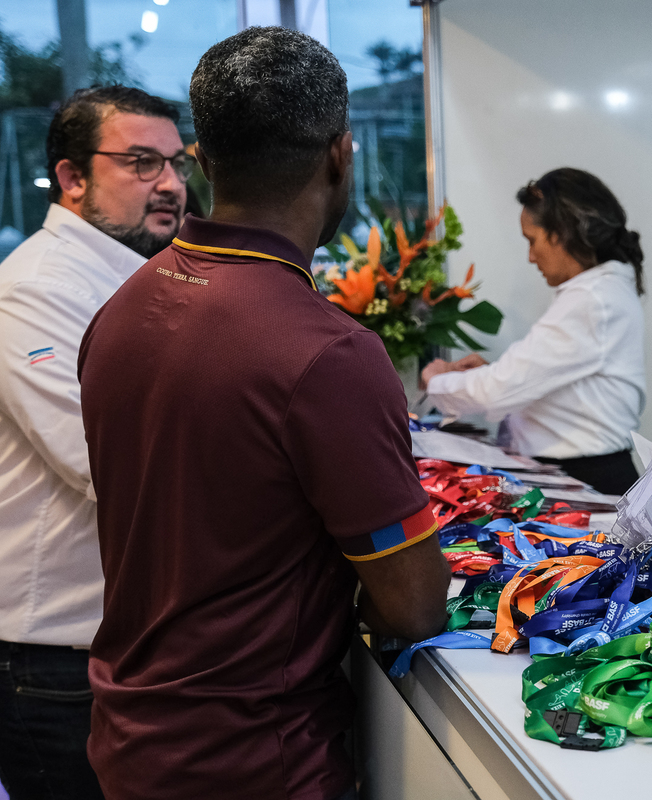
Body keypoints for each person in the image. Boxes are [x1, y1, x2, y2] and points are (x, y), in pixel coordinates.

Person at [78, 28, 450, 800]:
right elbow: (414, 606)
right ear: (341, 155)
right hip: (254, 759)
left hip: (130, 737)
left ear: (204, 164)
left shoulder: (123, 308)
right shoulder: (327, 353)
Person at [0, 85, 188, 800]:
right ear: (73, 178)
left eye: (175, 163)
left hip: (119, 643)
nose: (169, 184)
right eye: (142, 163)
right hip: (54, 657)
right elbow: (101, 459)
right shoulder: (38, 288)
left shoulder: (136, 277)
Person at [422, 168, 646, 495]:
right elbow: (542, 381)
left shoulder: (593, 299)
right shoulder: (600, 292)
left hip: (588, 479)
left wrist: (437, 379)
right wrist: (495, 374)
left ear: (563, 233)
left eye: (532, 241)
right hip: (583, 472)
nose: (530, 257)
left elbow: (501, 389)